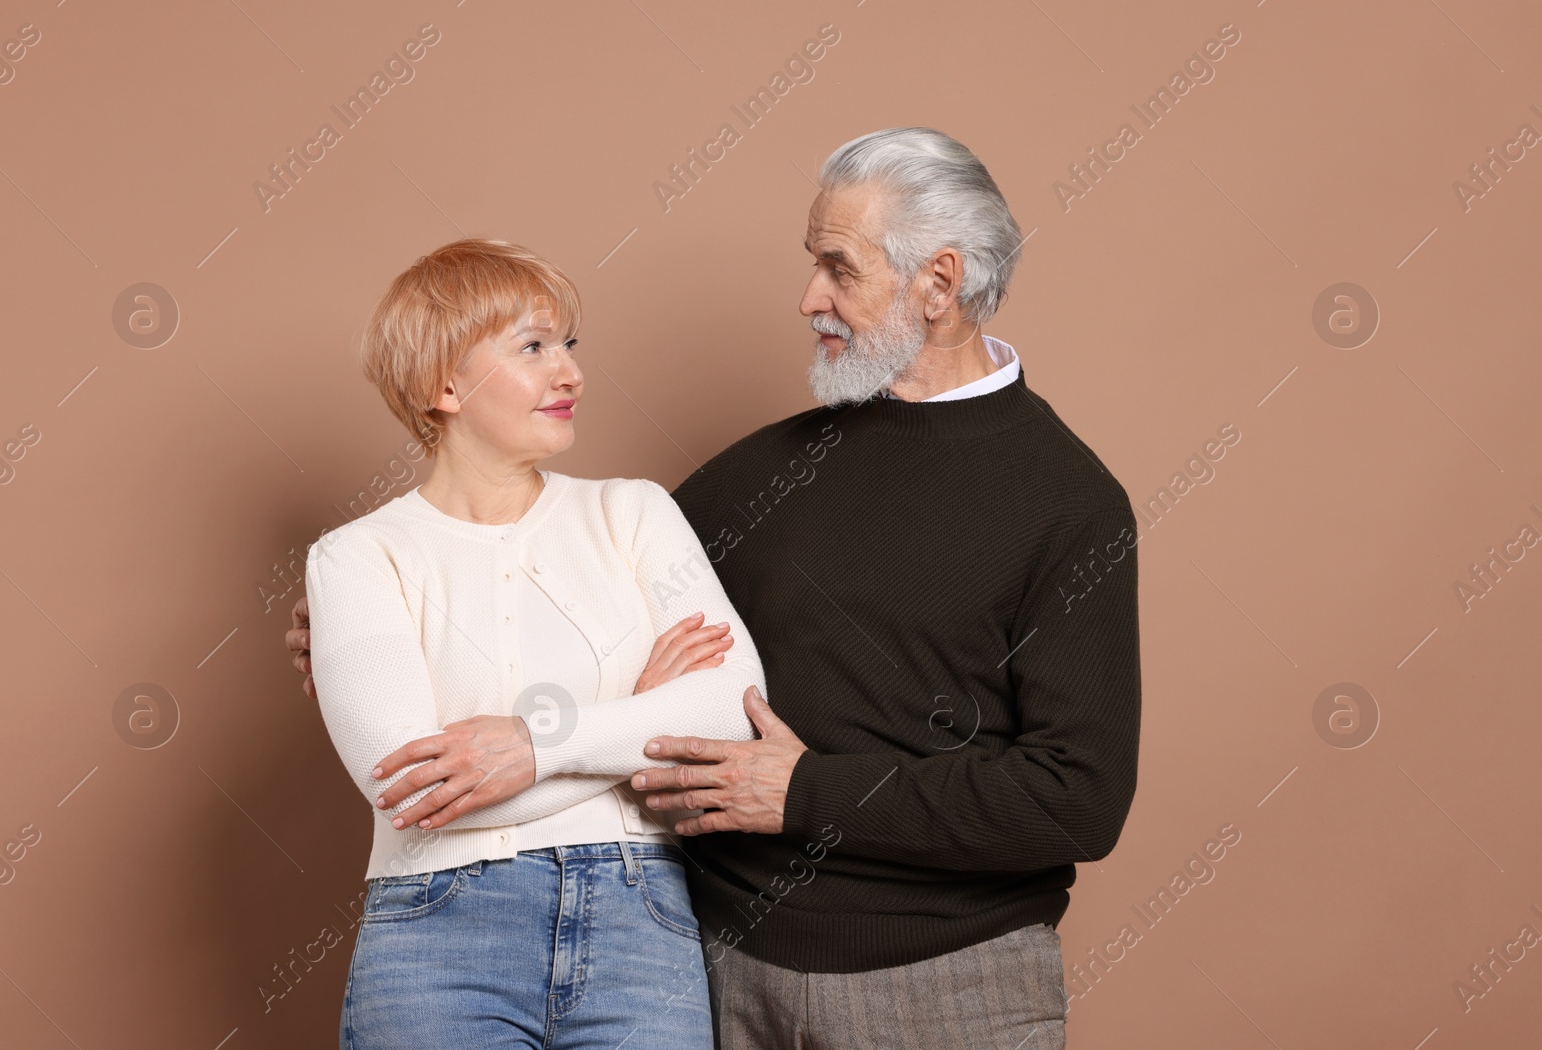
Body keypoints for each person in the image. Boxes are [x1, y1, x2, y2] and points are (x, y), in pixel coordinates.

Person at [291, 127, 1141, 1050]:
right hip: (719, 973)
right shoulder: (751, 479)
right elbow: (547, 586)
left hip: (946, 983)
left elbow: (1076, 798)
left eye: (837, 268)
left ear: (937, 284)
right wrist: (356, 624)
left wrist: (808, 793)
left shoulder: (1066, 501)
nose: (808, 297)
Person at [302, 237, 771, 1049]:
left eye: (568, 344)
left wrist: (534, 744)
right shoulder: (358, 556)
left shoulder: (634, 512)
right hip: (437, 928)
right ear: (440, 383)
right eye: (532, 347)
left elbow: (731, 708)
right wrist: (633, 724)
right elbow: (413, 792)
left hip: (642, 925)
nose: (571, 373)